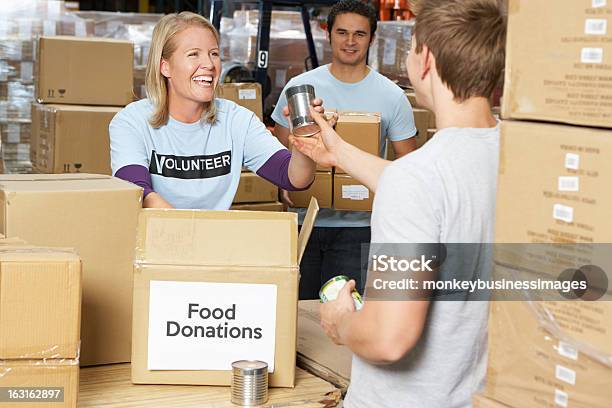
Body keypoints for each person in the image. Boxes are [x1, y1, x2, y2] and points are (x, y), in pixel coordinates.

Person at [289, 0, 506, 406]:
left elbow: (388, 339)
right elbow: (433, 191)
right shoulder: (512, 154)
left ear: (425, 60)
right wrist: (336, 151)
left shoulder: (420, 176)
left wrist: (342, 322)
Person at [272, 0, 417, 299]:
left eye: (360, 34)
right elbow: (280, 153)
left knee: (345, 315)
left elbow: (409, 163)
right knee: (295, 315)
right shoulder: (300, 89)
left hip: (360, 228)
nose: (350, 42)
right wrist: (283, 190)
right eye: (342, 32)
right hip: (303, 223)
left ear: (372, 39)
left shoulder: (392, 97)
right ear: (328, 34)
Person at [109, 12, 320, 209]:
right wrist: (189, 235)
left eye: (214, 53)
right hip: (154, 240)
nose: (209, 64)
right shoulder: (131, 121)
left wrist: (305, 137)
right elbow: (136, 191)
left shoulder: (237, 121)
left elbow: (293, 178)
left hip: (212, 243)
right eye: (194, 54)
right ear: (165, 67)